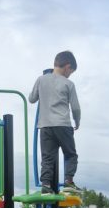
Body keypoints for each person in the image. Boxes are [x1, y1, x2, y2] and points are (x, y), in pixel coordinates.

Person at [29, 51, 81, 195]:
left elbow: (32, 98)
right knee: (70, 154)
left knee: (47, 158)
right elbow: (75, 107)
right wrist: (77, 121)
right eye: (71, 72)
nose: (70, 75)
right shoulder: (68, 83)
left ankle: (45, 185)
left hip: (45, 126)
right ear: (67, 67)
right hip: (63, 125)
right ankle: (69, 181)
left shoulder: (41, 79)